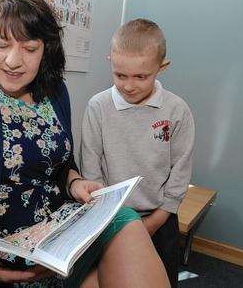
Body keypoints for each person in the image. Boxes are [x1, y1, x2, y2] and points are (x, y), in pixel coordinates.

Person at [0, 0, 170, 287]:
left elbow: (62, 162)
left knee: (127, 222)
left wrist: (75, 182)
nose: (13, 60)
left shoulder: (55, 91)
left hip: (62, 232)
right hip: (6, 249)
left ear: (46, 50)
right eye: (2, 45)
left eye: (29, 48)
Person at [80, 18, 195, 287]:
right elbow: (91, 167)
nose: (129, 86)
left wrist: (158, 219)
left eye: (141, 77)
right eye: (120, 75)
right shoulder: (98, 107)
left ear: (161, 67)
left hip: (160, 216)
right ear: (110, 61)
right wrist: (113, 217)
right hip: (112, 216)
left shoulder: (177, 111)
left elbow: (181, 168)